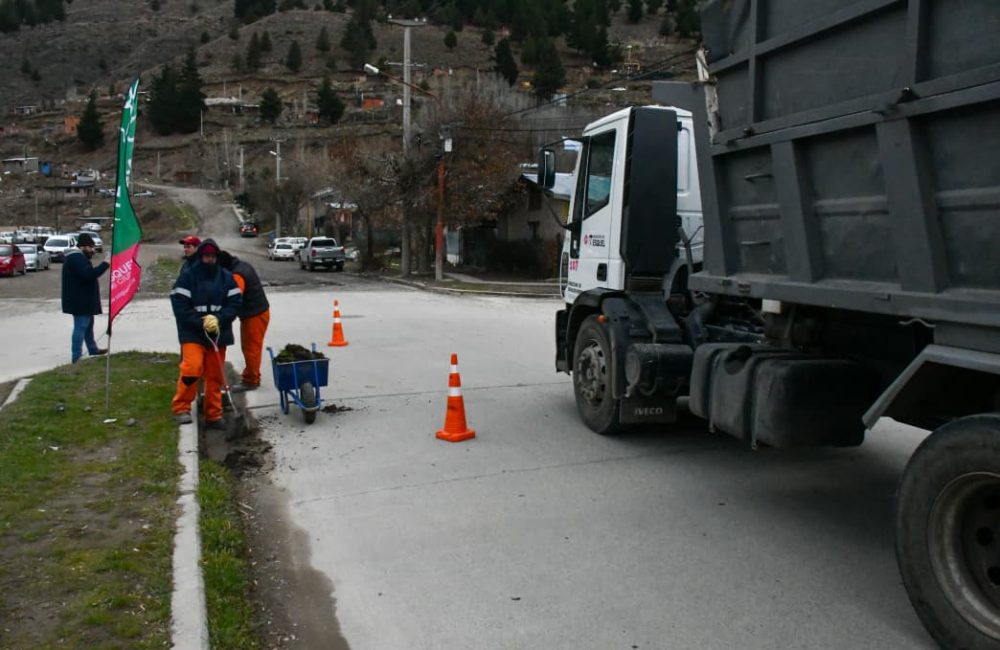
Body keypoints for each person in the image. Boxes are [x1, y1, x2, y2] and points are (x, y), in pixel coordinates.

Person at [169, 239, 242, 427]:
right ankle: (181, 407)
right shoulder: (188, 276)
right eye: (206, 256)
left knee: (215, 375)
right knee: (192, 368)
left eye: (212, 256)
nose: (209, 259)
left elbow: (234, 303)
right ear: (201, 256)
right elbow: (179, 305)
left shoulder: (226, 277)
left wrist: (219, 319)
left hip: (218, 333)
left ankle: (213, 414)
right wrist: (200, 322)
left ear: (216, 257)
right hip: (193, 333)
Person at [218, 250, 270, 391]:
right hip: (256, 312)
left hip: (254, 314)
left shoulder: (237, 275)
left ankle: (251, 380)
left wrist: (223, 318)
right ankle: (251, 376)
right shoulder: (241, 266)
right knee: (250, 347)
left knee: (251, 349)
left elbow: (235, 299)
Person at [62, 232, 109, 363]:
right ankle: (76, 356)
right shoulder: (76, 258)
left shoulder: (77, 257)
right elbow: (89, 275)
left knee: (88, 326)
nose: (93, 250)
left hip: (83, 299)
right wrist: (105, 264)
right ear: (83, 247)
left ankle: (92, 348)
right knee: (81, 326)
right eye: (91, 247)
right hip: (80, 300)